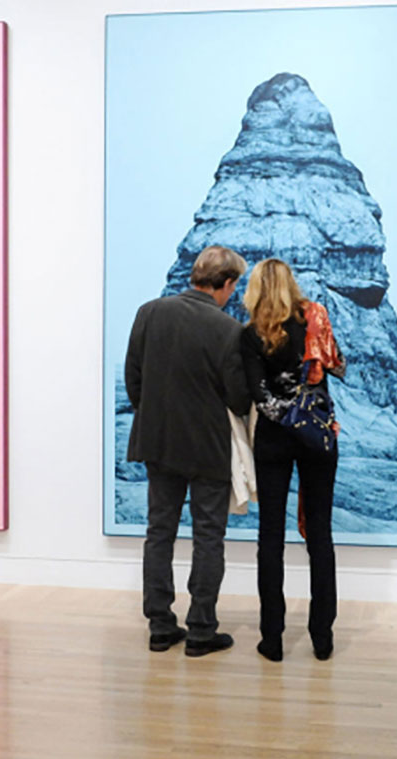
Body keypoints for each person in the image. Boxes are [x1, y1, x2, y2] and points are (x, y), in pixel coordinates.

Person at [125, 245, 252, 657]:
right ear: (227, 283)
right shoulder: (228, 330)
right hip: (207, 448)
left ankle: (160, 626)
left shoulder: (149, 312)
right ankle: (201, 630)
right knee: (208, 537)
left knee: (158, 533)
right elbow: (237, 399)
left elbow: (134, 381)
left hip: (158, 443)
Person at [240, 259, 345, 662]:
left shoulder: (252, 336)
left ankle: (273, 639)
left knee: (271, 538)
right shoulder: (314, 321)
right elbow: (338, 366)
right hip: (318, 437)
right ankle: (322, 638)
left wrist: (287, 416)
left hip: (275, 441)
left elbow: (259, 396)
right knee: (320, 535)